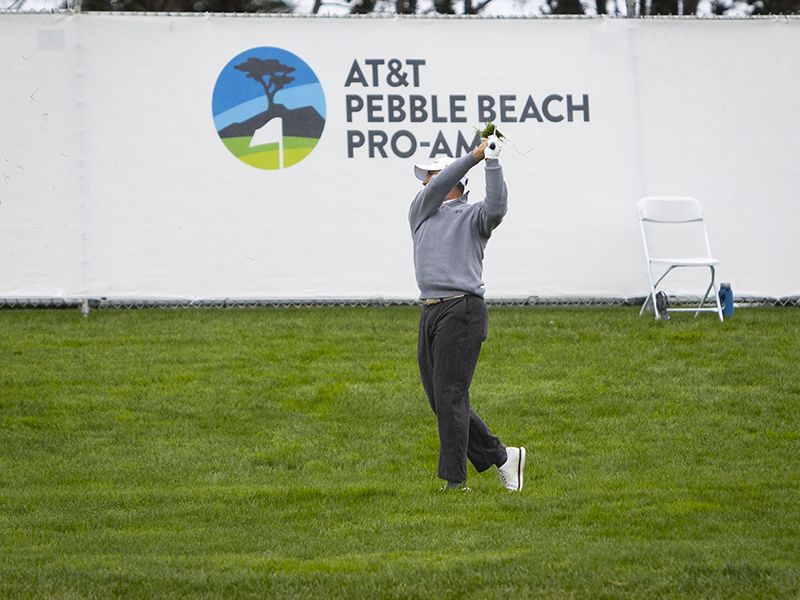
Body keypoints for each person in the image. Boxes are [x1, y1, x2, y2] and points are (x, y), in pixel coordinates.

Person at [408, 137, 526, 493]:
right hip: (430, 311)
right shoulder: (421, 210)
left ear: (452, 179)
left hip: (463, 309)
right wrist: (472, 156)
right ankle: (503, 456)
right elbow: (437, 188)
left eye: (431, 175)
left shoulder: (474, 215)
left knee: (450, 395)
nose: (426, 183)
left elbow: (497, 207)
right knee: (442, 400)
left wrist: (490, 162)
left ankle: (455, 482)